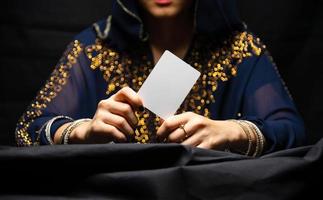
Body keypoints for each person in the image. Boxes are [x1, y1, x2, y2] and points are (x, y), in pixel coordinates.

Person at [15, 0, 305, 157]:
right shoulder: (96, 46)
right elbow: (27, 129)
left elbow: (291, 130)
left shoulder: (239, 48)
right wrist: (80, 132)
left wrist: (233, 132)